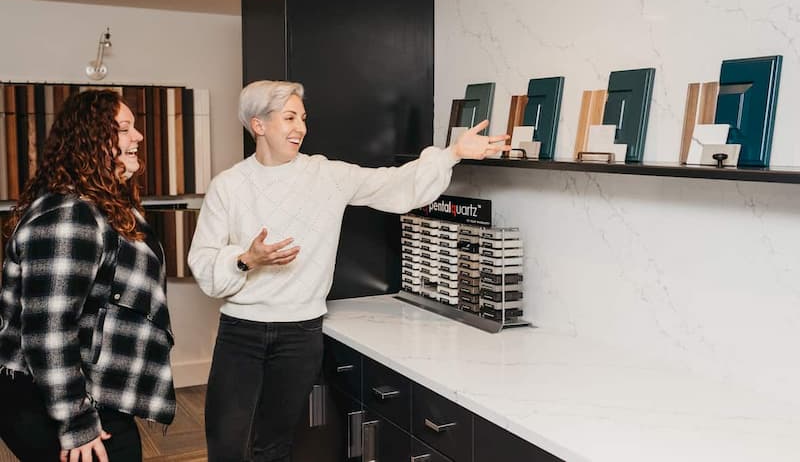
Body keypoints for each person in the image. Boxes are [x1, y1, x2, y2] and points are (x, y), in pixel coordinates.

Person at [188, 80, 510, 462]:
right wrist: (247, 260)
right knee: (226, 446)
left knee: (274, 447)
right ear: (258, 125)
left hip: (300, 333)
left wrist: (452, 153)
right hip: (241, 332)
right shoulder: (229, 186)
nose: (301, 128)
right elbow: (204, 263)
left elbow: (395, 185)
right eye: (289, 117)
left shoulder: (326, 175)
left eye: (303, 118)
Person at [0, 89, 176, 462]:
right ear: (92, 140)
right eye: (124, 129)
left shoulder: (100, 205)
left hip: (82, 385)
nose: (139, 137)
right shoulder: (70, 215)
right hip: (48, 394)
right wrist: (77, 423)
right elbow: (48, 329)